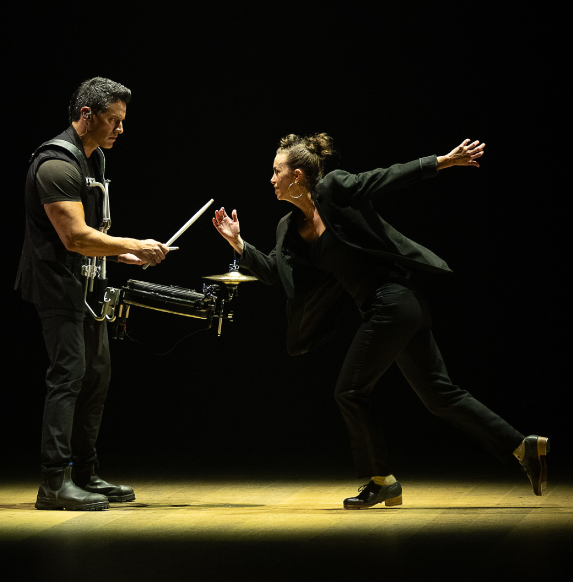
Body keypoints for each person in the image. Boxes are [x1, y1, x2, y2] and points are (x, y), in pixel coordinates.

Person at [212, 133, 549, 509]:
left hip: (394, 301)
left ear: (299, 175)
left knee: (350, 392)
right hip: (395, 309)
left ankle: (381, 479)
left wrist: (442, 161)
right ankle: (524, 448)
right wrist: (239, 245)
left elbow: (385, 176)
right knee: (441, 395)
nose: (270, 179)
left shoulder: (334, 188)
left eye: (277, 171)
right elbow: (276, 273)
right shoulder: (288, 229)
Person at [15, 77, 170, 511]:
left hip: (88, 284)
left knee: (96, 377)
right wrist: (133, 244)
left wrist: (120, 256)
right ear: (86, 115)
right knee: (68, 376)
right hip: (57, 285)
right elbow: (74, 237)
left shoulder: (94, 159)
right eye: (113, 120)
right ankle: (53, 482)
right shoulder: (55, 164)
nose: (121, 129)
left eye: (123, 121)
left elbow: (94, 235)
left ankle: (85, 472)